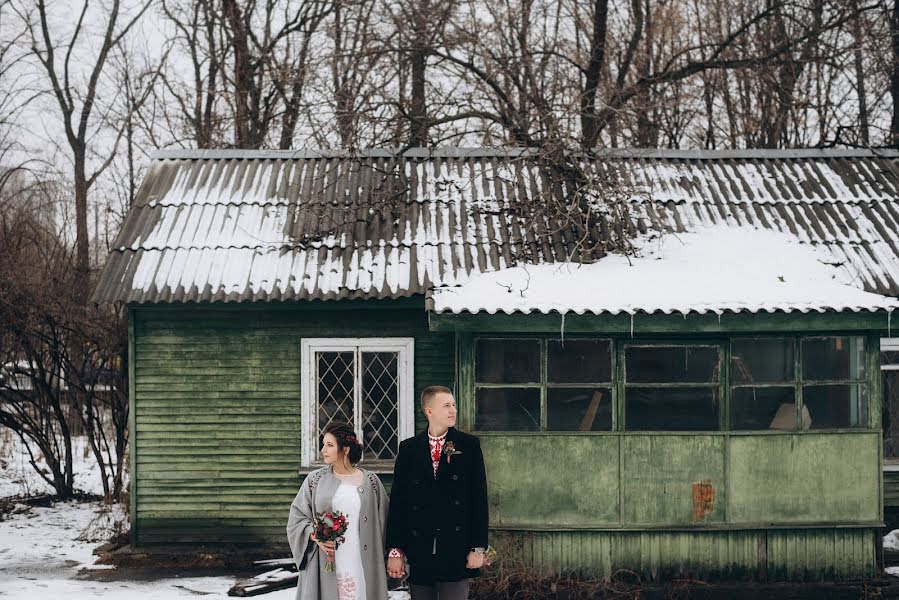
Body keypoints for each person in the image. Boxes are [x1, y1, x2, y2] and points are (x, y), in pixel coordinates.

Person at [385, 386, 489, 600]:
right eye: (446, 405)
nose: (453, 410)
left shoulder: (469, 446)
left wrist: (478, 547)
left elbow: (478, 499)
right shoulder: (409, 449)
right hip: (419, 548)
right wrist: (395, 551)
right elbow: (398, 503)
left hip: (456, 548)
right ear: (429, 411)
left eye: (453, 405)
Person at [287, 422, 389, 600]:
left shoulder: (371, 482)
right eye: (323, 445)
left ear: (346, 449)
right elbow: (297, 518)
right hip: (326, 560)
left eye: (329, 445)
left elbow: (387, 522)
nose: (323, 450)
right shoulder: (314, 480)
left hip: (360, 558)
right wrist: (314, 534)